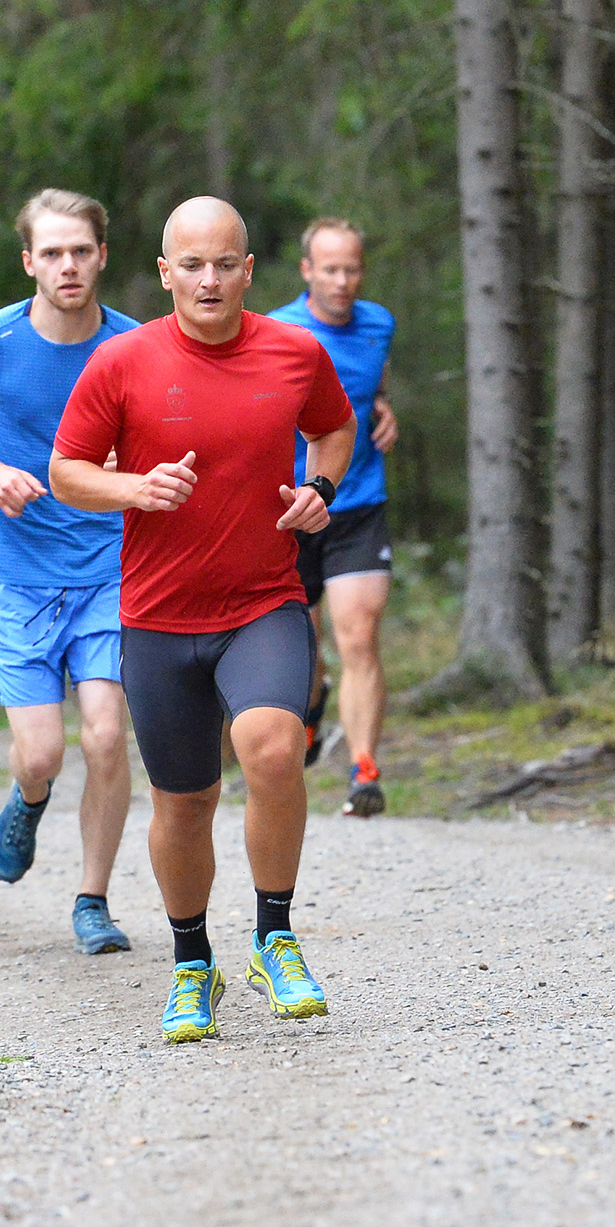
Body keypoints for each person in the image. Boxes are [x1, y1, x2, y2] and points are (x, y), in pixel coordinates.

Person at [51, 196, 354, 1044]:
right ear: (163, 273)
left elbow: (334, 429)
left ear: (250, 270)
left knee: (272, 745)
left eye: (225, 263)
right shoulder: (123, 361)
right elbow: (66, 468)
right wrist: (134, 488)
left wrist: (319, 491)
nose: (210, 279)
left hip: (263, 602)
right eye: (192, 264)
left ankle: (275, 936)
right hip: (158, 616)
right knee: (183, 802)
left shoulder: (295, 353)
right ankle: (192, 962)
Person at [0, 190, 143, 956]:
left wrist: (131, 465)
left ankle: (93, 899)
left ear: (102, 255)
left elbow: (174, 435)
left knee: (108, 736)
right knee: (45, 750)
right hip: (19, 572)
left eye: (80, 249)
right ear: (29, 262)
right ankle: (28, 794)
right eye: (52, 252)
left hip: (111, 565)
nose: (68, 265)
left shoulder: (134, 345)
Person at [268, 218, 399, 818]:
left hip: (358, 502)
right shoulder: (278, 331)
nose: (342, 282)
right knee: (306, 647)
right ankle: (313, 708)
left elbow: (368, 387)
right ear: (307, 271)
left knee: (359, 635)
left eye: (351, 269)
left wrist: (383, 410)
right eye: (330, 270)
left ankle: (364, 770)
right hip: (293, 508)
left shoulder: (378, 325)